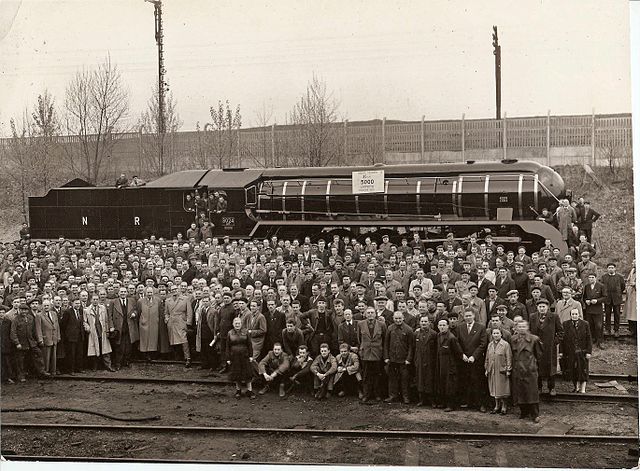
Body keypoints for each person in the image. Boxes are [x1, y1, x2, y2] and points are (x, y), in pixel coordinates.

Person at [456, 309, 488, 411]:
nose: (468, 318)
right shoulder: (460, 327)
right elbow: (457, 343)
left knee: (477, 381)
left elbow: (483, 344)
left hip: (476, 359)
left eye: (470, 315)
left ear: (474, 316)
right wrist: (462, 355)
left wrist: (474, 356)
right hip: (464, 359)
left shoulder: (481, 327)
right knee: (465, 380)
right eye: (466, 316)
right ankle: (467, 402)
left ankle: (480, 403)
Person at [511, 320, 543, 422]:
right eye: (519, 327)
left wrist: (534, 367)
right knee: (520, 392)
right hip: (518, 370)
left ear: (527, 327)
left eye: (523, 326)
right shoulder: (513, 339)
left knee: (532, 393)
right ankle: (523, 412)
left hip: (530, 370)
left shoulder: (534, 339)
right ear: (516, 328)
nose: (521, 328)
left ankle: (535, 414)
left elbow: (539, 355)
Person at [529, 298, 563, 396]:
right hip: (536, 347)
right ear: (537, 307)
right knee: (537, 367)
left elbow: (561, 332)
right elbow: (530, 331)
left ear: (547, 307)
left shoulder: (554, 317)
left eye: (544, 306)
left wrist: (554, 342)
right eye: (540, 307)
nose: (542, 308)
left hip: (549, 347)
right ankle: (539, 387)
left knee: (551, 368)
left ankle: (551, 388)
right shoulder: (532, 317)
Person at [11, 303, 49, 381]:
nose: (24, 312)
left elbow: (34, 331)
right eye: (22, 310)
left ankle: (41, 372)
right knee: (20, 360)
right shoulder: (16, 319)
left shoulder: (31, 318)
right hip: (21, 343)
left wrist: (38, 339)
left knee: (38, 354)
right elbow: (13, 332)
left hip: (31, 342)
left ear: (28, 310)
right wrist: (17, 343)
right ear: (19, 310)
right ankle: (21, 376)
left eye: (25, 310)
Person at [383, 311, 415, 404]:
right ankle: (393, 396)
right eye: (396, 318)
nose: (398, 320)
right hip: (392, 359)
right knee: (392, 379)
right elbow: (386, 344)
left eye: (400, 318)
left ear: (403, 318)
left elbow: (411, 346)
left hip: (404, 360)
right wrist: (386, 357)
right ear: (393, 318)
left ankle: (405, 397)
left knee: (405, 379)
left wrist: (409, 359)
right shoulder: (390, 328)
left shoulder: (408, 330)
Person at [358, 306, 387, 403]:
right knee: (366, 375)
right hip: (365, 353)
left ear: (375, 314)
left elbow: (384, 339)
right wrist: (362, 349)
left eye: (372, 313)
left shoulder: (382, 325)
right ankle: (366, 394)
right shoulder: (360, 324)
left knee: (377, 375)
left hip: (377, 353)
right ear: (365, 314)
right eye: (368, 313)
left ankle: (377, 394)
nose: (370, 314)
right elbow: (359, 338)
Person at [559, 308, 592, 393]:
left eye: (576, 314)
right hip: (570, 351)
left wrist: (588, 352)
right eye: (573, 314)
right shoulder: (566, 324)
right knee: (573, 369)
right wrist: (561, 351)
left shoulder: (585, 324)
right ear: (570, 315)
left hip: (582, 351)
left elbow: (589, 339)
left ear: (579, 315)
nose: (574, 316)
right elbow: (562, 339)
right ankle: (576, 387)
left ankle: (583, 389)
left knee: (583, 369)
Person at [435, 318, 462, 412]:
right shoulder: (438, 335)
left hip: (450, 365)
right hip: (441, 364)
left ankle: (451, 405)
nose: (442, 327)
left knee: (450, 385)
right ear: (438, 326)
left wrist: (453, 366)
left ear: (448, 326)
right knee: (442, 383)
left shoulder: (451, 338)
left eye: (444, 325)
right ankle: (444, 403)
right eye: (440, 325)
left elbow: (458, 353)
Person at [83, 294, 115, 371]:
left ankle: (108, 366)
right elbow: (84, 322)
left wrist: (107, 330)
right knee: (94, 349)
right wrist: (88, 328)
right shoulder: (86, 310)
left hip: (102, 331)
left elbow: (106, 320)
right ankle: (95, 366)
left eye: (97, 299)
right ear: (91, 300)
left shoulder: (103, 308)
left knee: (105, 350)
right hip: (93, 332)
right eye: (94, 299)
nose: (95, 301)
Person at [164, 284, 193, 367]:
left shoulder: (185, 299)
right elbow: (166, 312)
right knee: (173, 340)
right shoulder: (168, 300)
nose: (174, 291)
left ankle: (188, 358)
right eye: (172, 289)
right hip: (172, 322)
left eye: (175, 289)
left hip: (181, 322)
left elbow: (189, 312)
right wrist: (166, 318)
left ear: (179, 290)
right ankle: (177, 357)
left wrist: (188, 323)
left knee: (184, 341)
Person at [226, 316, 256, 399]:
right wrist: (228, 358)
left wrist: (251, 356)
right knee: (237, 374)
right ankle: (238, 390)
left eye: (239, 323)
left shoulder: (246, 332)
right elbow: (227, 346)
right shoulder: (230, 333)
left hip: (245, 356)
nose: (237, 325)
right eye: (235, 323)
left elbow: (249, 344)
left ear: (241, 324)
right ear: (233, 324)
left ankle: (249, 391)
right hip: (234, 357)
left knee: (248, 374)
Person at [484, 328, 512, 415]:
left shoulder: (505, 345)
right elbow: (487, 358)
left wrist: (508, 369)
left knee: (502, 389)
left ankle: (504, 406)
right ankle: (496, 406)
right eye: (494, 333)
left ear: (501, 334)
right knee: (494, 389)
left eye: (497, 333)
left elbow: (509, 358)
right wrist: (486, 368)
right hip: (492, 370)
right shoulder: (490, 345)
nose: (496, 335)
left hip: (501, 370)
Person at [414, 315, 437, 407]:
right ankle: (421, 399)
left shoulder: (433, 334)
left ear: (429, 323)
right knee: (420, 379)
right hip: (419, 359)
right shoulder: (416, 333)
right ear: (419, 323)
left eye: (425, 322)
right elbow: (413, 347)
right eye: (422, 322)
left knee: (430, 380)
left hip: (430, 360)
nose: (424, 323)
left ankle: (432, 400)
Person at [600, 263, 626, 337]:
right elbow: (602, 287)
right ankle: (607, 329)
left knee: (617, 314)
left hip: (616, 298)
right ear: (607, 269)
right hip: (607, 298)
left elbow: (623, 286)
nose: (610, 269)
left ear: (615, 269)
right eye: (609, 268)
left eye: (612, 267)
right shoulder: (604, 277)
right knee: (607, 314)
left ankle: (616, 330)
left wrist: (618, 293)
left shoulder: (619, 277)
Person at [36, 299, 61, 375]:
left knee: (53, 356)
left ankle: (53, 371)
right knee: (46, 356)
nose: (46, 307)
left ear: (50, 306)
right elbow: (38, 328)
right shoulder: (39, 315)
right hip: (45, 338)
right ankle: (45, 371)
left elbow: (57, 326)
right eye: (45, 306)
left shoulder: (54, 313)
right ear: (42, 307)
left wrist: (58, 336)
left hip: (54, 338)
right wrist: (40, 339)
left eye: (48, 305)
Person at [61, 299, 85, 373]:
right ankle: (71, 370)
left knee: (79, 353)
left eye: (79, 303)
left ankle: (79, 368)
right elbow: (63, 325)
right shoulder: (67, 312)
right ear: (72, 303)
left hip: (79, 336)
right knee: (71, 354)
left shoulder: (81, 311)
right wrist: (67, 335)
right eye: (76, 303)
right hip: (71, 337)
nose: (78, 305)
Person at [582, 273, 606, 349]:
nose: (591, 279)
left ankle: (600, 341)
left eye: (592, 277)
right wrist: (586, 301)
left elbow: (605, 297)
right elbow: (584, 297)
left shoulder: (601, 286)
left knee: (599, 326)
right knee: (590, 325)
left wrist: (597, 300)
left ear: (596, 278)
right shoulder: (587, 286)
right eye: (589, 277)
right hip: (589, 309)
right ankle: (591, 340)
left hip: (597, 310)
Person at [136, 286, 161, 360]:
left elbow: (160, 311)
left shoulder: (158, 300)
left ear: (153, 293)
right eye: (148, 292)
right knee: (144, 339)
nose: (149, 294)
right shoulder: (140, 301)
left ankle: (152, 354)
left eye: (151, 292)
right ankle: (144, 354)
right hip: (144, 323)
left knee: (154, 338)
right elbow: (139, 311)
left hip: (154, 323)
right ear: (145, 293)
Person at [626, 261, 636, 338]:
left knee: (635, 313)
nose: (632, 264)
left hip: (636, 294)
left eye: (634, 263)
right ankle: (631, 329)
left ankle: (635, 331)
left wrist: (635, 284)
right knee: (630, 312)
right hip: (630, 293)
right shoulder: (632, 270)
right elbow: (628, 280)